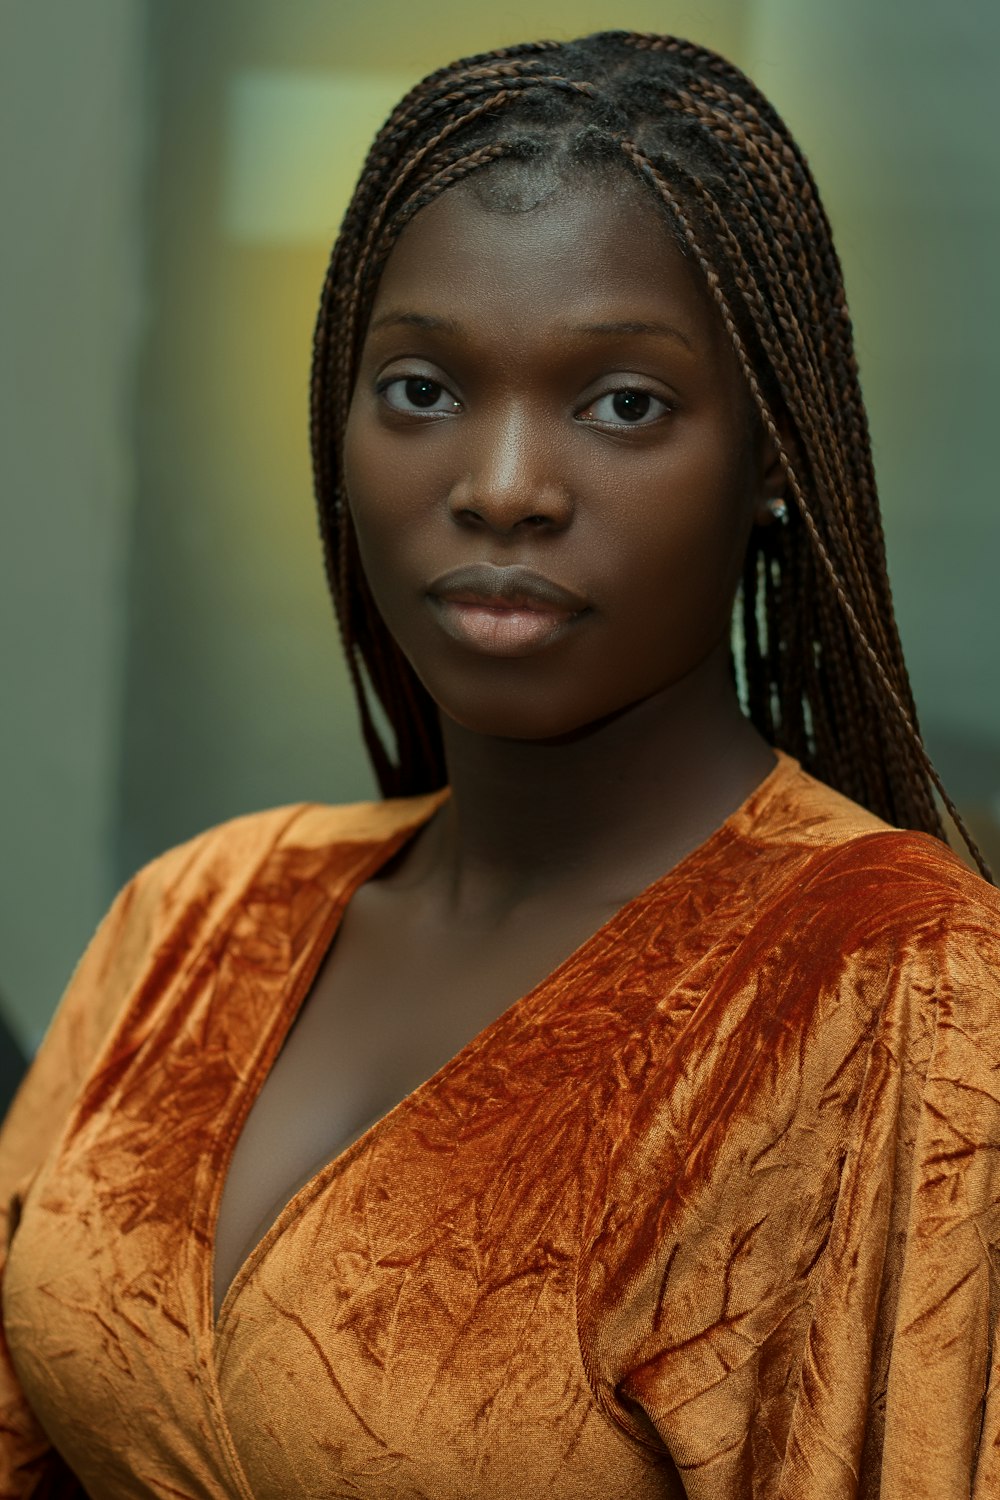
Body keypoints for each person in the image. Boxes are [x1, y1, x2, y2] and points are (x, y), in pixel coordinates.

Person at [2, 29, 998, 1500]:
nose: (503, 485)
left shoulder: (891, 983)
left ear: (773, 454)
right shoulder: (195, 921)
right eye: (421, 389)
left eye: (623, 405)